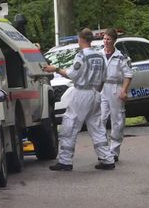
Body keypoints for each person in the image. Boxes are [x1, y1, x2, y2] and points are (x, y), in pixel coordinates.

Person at [43, 28, 115, 170]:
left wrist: (56, 69)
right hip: (95, 93)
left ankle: (65, 161)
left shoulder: (82, 56)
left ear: (81, 39)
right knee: (97, 127)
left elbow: (72, 74)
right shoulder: (100, 56)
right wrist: (96, 92)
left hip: (82, 93)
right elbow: (104, 77)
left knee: (70, 125)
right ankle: (107, 159)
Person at [100, 28, 133, 162]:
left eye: (108, 39)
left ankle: (114, 151)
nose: (106, 42)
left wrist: (124, 90)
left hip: (116, 88)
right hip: (102, 88)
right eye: (104, 39)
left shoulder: (121, 56)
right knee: (100, 119)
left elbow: (128, 75)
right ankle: (103, 150)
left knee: (117, 120)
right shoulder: (99, 54)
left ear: (114, 41)